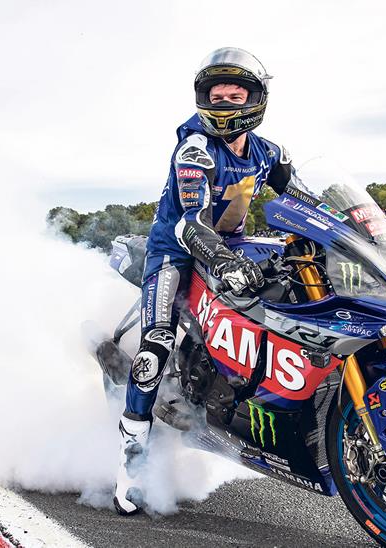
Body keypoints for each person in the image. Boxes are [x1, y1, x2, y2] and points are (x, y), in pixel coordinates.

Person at [113, 47, 295, 515]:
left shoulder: (268, 152)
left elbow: (302, 197)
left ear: (256, 99)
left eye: (236, 95)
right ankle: (130, 465)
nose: (226, 104)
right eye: (217, 95)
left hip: (231, 245)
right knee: (154, 344)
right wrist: (221, 258)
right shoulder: (194, 148)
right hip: (176, 251)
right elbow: (190, 222)